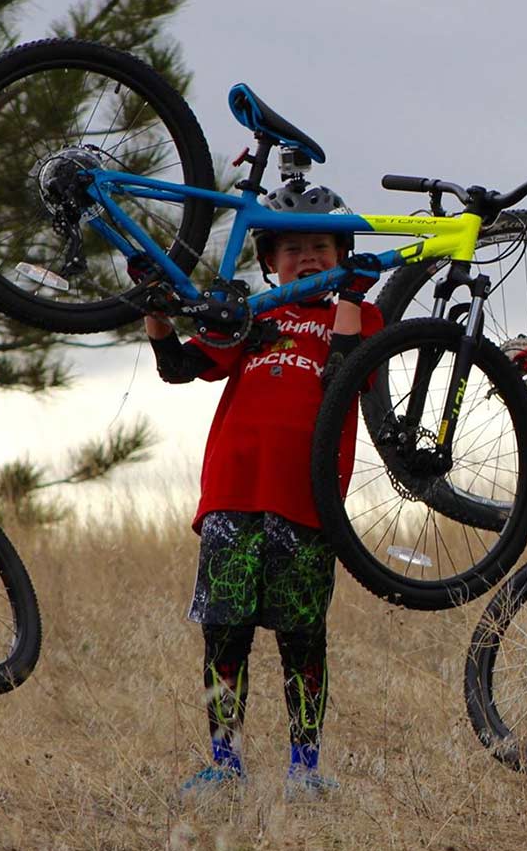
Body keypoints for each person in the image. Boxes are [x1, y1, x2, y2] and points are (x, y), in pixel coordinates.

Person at [143, 182, 384, 801]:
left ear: (343, 252)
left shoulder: (359, 317)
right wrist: (156, 309)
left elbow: (345, 371)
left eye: (322, 247)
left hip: (306, 502)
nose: (307, 257)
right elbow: (181, 367)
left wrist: (352, 292)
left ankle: (305, 768)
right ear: (269, 261)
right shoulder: (254, 317)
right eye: (293, 248)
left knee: (302, 637)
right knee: (225, 631)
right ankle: (225, 764)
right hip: (233, 495)